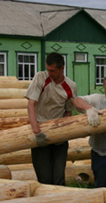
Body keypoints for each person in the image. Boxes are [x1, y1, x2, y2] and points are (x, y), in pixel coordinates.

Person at [26, 52, 77, 185]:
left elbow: (68, 111)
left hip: (59, 137)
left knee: (59, 178)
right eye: (48, 69)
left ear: (62, 68)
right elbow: (31, 104)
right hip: (41, 132)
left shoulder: (70, 86)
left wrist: (63, 133)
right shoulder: (41, 78)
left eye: (53, 70)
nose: (50, 73)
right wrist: (36, 131)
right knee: (45, 179)